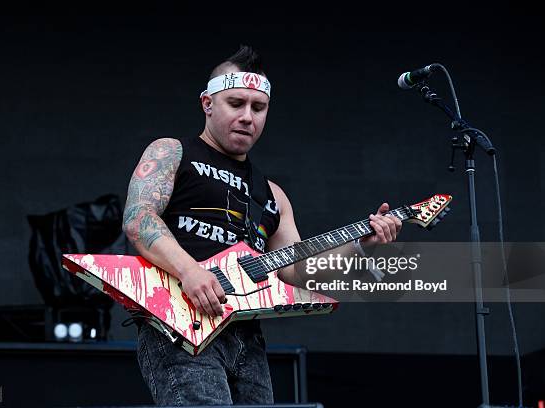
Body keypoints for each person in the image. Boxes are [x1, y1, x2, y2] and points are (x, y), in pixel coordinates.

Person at [122, 45, 402, 406]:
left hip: (246, 336)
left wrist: (364, 244)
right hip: (179, 323)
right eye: (235, 104)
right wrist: (189, 271)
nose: (247, 117)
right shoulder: (172, 152)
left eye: (258, 107)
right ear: (207, 103)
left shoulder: (272, 194)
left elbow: (297, 270)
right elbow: (138, 218)